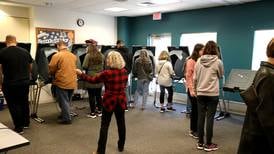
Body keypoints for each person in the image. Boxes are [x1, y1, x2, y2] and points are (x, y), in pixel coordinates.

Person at [76, 50, 128, 154]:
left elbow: (92, 80)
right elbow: (124, 85)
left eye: (108, 58)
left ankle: (100, 151)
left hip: (109, 101)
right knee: (121, 124)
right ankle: (121, 146)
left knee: (104, 126)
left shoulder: (106, 73)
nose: (106, 60)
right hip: (121, 100)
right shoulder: (124, 71)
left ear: (111, 61)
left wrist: (81, 74)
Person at [238, 38, 274, 154]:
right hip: (259, 140)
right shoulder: (269, 76)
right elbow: (268, 119)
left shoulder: (264, 71)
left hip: (255, 135)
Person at [193, 41, 224, 152]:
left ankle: (200, 143)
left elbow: (195, 78)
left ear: (205, 49)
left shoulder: (198, 61)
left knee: (201, 118)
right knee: (210, 119)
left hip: (200, 93)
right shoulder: (218, 62)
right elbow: (221, 75)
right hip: (212, 94)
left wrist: (196, 91)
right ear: (215, 49)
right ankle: (209, 144)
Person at [0, 35, 33, 134]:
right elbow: (30, 66)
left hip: (10, 83)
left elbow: (0, 70)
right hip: (24, 82)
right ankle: (26, 123)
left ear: (6, 42)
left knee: (13, 104)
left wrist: (0, 83)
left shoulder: (2, 52)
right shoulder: (25, 51)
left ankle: (19, 127)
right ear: (16, 41)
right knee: (24, 102)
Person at [48, 40, 77, 124]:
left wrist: (49, 74)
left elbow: (51, 68)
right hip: (72, 81)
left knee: (63, 101)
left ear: (58, 46)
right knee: (67, 101)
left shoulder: (57, 55)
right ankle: (65, 114)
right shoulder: (73, 56)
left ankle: (66, 119)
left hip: (62, 82)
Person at [185, 43, 204, 138]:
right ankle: (193, 130)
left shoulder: (200, 61)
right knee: (195, 110)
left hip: (200, 89)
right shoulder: (191, 61)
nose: (204, 52)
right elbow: (188, 77)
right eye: (202, 50)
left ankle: (197, 129)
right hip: (192, 89)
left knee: (199, 110)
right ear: (197, 51)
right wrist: (191, 90)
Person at [82, 44, 104, 118]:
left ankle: (92, 113)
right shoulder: (102, 55)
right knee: (99, 95)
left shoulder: (88, 55)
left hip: (90, 77)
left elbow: (84, 66)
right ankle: (100, 111)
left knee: (91, 96)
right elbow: (104, 66)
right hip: (100, 77)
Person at [116, 40, 132, 109]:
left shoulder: (117, 52)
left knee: (118, 88)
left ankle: (119, 104)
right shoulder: (129, 51)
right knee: (125, 88)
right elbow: (131, 62)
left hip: (119, 71)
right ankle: (127, 104)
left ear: (119, 44)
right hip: (127, 72)